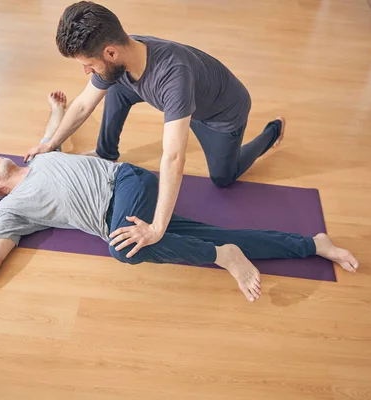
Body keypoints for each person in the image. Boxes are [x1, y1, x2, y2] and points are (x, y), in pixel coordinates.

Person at [0, 91, 358, 343]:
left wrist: (56, 112)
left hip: (130, 186)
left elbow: (53, 133)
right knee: (192, 236)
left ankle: (223, 256)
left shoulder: (37, 156)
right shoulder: (10, 212)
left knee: (125, 248)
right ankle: (313, 244)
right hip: (133, 220)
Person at [24, 1, 286, 259]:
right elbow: (82, 105)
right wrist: (50, 144)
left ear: (111, 53)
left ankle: (272, 131)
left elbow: (173, 157)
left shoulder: (173, 78)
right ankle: (106, 151)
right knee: (114, 87)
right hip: (186, 102)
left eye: (88, 64)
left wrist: (157, 227)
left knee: (223, 178)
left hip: (221, 114)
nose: (86, 71)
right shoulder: (124, 52)